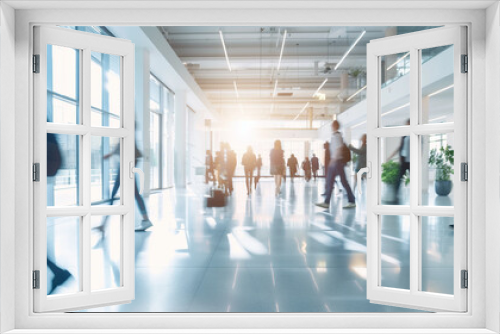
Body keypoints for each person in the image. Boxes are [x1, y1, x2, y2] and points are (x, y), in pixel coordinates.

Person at [104, 143, 153, 231]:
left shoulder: (128, 137)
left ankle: (104, 224)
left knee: (114, 194)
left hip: (125, 167)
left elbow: (127, 149)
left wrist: (111, 154)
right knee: (135, 195)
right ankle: (146, 219)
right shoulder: (128, 138)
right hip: (125, 166)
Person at [316, 120, 356, 209]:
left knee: (343, 182)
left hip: (337, 162)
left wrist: (333, 160)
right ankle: (326, 202)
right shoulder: (336, 135)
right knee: (331, 181)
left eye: (331, 126)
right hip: (336, 162)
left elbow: (339, 149)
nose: (331, 127)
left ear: (334, 126)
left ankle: (352, 200)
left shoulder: (337, 136)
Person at [388, 119, 411, 203]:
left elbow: (420, 148)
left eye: (407, 124)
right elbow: (400, 147)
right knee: (398, 179)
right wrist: (391, 156)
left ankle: (416, 197)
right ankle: (395, 198)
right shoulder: (404, 135)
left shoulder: (415, 134)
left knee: (414, 180)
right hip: (404, 161)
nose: (406, 125)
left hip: (412, 161)